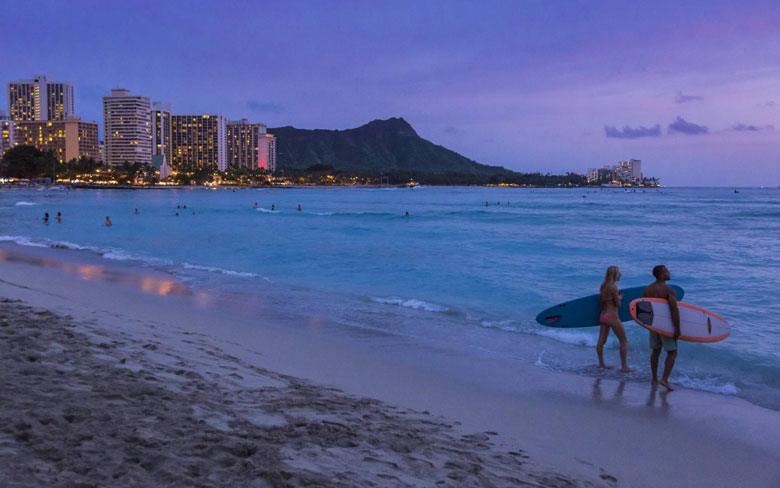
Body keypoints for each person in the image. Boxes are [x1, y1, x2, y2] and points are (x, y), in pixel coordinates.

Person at [644, 265, 680, 391]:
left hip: (654, 325)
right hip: (666, 326)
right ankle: (664, 379)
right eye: (666, 271)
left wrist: (648, 325)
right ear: (661, 274)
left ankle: (654, 378)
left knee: (655, 351)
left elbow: (645, 309)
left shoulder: (648, 289)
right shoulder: (668, 290)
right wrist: (677, 328)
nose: (669, 273)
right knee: (672, 352)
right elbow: (673, 309)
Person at [596, 266, 631, 372]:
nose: (620, 274)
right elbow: (618, 304)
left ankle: (601, 364)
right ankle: (624, 367)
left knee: (601, 342)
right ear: (614, 274)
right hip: (612, 316)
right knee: (624, 341)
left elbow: (602, 301)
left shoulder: (603, 286)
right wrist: (620, 298)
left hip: (603, 316)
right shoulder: (614, 287)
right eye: (619, 272)